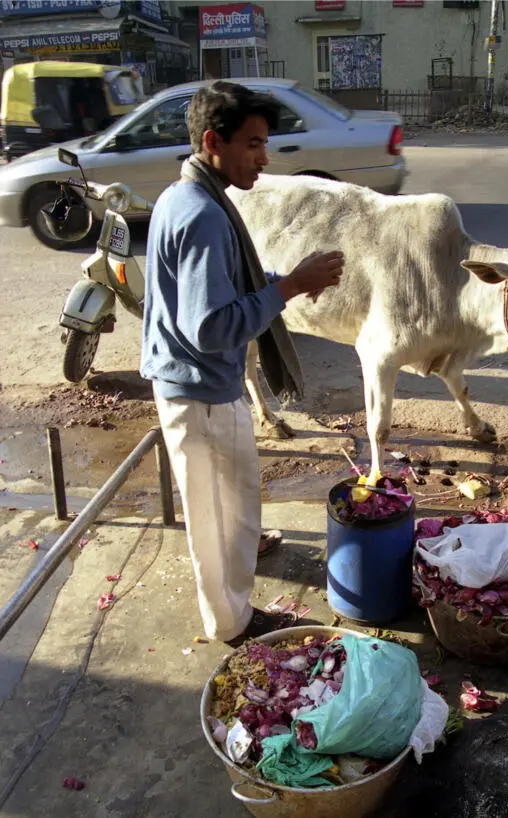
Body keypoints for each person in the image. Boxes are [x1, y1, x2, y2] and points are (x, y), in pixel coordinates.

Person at [140, 81, 345, 646]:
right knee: (219, 520)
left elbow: (222, 294)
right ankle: (232, 622)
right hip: (200, 391)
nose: (263, 158)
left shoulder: (184, 196)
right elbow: (207, 327)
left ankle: (233, 593)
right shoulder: (204, 214)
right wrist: (291, 287)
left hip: (190, 384)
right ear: (213, 141)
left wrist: (288, 283)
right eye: (253, 144)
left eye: (265, 144)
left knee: (229, 509)